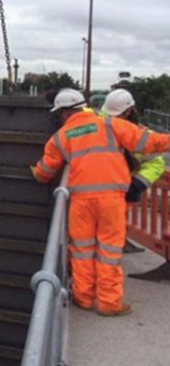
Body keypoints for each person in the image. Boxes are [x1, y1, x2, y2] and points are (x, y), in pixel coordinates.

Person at [30, 89, 170, 316]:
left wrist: (35, 173)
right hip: (112, 200)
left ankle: (84, 298)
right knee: (109, 252)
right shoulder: (110, 125)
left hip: (80, 202)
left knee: (82, 251)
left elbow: (45, 171)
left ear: (64, 114)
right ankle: (109, 303)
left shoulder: (61, 137)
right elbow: (150, 142)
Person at [100, 88, 166, 203]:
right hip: (109, 194)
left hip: (116, 195)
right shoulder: (96, 125)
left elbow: (156, 163)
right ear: (129, 110)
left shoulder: (92, 126)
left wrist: (137, 184)